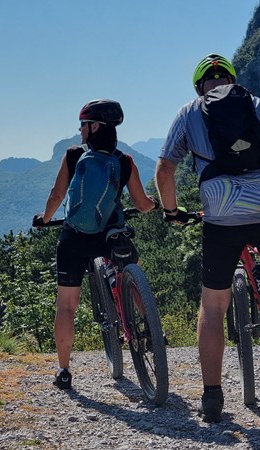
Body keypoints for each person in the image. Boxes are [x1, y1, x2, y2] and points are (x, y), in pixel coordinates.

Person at [155, 53, 260, 422]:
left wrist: (171, 212)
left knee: (214, 306)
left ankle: (213, 396)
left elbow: (166, 168)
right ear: (232, 80)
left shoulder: (189, 111)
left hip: (221, 210)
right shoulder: (257, 104)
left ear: (199, 85)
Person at [33, 99, 158, 390]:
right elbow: (141, 203)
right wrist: (153, 205)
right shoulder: (125, 162)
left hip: (74, 239)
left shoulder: (74, 156)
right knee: (133, 273)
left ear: (94, 127)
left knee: (66, 306)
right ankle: (150, 328)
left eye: (82, 126)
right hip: (109, 235)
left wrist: (45, 218)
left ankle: (64, 370)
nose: (80, 132)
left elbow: (56, 195)